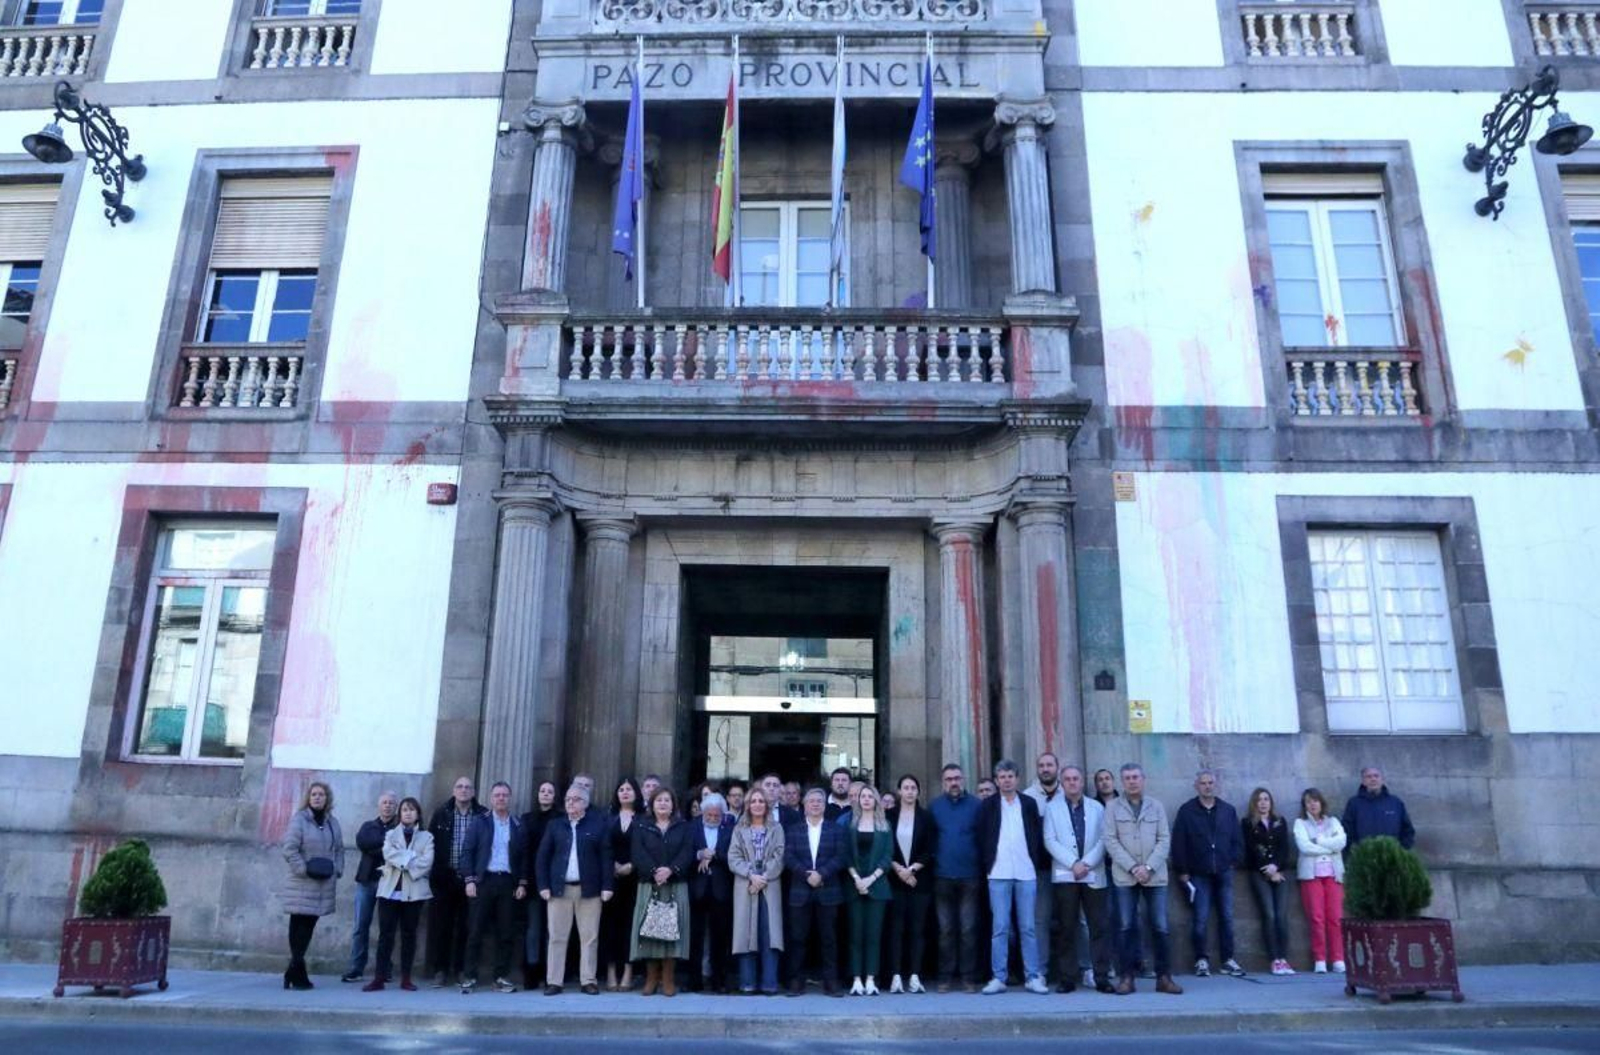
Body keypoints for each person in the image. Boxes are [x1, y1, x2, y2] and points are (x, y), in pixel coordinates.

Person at [1103, 763, 1181, 995]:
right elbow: (1110, 840)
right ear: (1122, 781)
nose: (1132, 781)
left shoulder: (1156, 807)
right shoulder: (1112, 807)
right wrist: (1133, 867)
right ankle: (1127, 977)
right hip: (1125, 876)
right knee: (1125, 925)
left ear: (1143, 779)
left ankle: (1164, 977)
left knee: (1160, 925)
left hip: (1154, 876)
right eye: (1127, 778)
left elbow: (1164, 839)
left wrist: (1147, 867)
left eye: (1136, 777)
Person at [977, 760, 1048, 995]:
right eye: (1002, 776)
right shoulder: (988, 805)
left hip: (1026, 872)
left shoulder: (1028, 803)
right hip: (998, 873)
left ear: (1017, 779)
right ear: (996, 780)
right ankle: (999, 977)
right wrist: (988, 864)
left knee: (1028, 927)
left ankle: (1033, 976)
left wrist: (1034, 860)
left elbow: (1036, 834)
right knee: (1000, 927)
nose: (1006, 780)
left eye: (1010, 776)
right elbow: (982, 836)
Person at [1041, 765, 1114, 994]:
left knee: (1098, 927)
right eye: (1068, 779)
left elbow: (1105, 838)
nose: (1072, 783)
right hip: (1066, 874)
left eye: (1076, 779)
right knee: (1067, 928)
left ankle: (1101, 976)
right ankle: (1067, 978)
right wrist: (1074, 863)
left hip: (1093, 873)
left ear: (1082, 783)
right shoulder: (1052, 808)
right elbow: (1049, 840)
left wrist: (1087, 863)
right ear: (1062, 783)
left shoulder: (1097, 808)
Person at [536, 784, 614, 995]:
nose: (571, 802)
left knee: (589, 937)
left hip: (589, 890)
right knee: (557, 936)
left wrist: (607, 886)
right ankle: (554, 981)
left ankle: (588, 979)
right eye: (568, 799)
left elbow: (606, 858)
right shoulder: (555, 826)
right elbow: (542, 858)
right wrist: (543, 885)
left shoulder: (598, 825)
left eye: (577, 799)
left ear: (586, 803)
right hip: (558, 890)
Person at [1171, 769, 1246, 979]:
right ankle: (1201, 959)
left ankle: (1227, 959)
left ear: (1216, 785)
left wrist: (1233, 861)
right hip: (1198, 873)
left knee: (1227, 918)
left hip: (1224, 872)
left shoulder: (1227, 810)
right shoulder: (1187, 811)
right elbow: (1179, 842)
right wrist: (1183, 870)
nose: (1207, 786)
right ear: (1196, 786)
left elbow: (1237, 840)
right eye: (1203, 783)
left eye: (1210, 782)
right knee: (1200, 918)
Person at [460, 781, 528, 994]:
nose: (501, 798)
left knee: (506, 932)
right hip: (484, 881)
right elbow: (467, 851)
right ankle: (470, 976)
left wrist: (522, 883)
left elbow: (524, 856)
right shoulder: (480, 822)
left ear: (510, 798)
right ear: (491, 798)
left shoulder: (517, 824)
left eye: (505, 795)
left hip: (507, 882)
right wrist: (469, 880)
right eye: (497, 795)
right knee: (475, 931)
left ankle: (501, 976)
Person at [365, 796, 434, 992]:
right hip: (390, 891)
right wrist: (411, 857)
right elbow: (389, 854)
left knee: (409, 935)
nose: (408, 812)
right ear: (400, 814)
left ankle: (406, 978)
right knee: (385, 935)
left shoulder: (427, 837)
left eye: (412, 809)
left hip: (414, 893)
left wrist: (404, 861)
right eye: (404, 809)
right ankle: (379, 977)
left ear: (418, 814)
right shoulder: (390, 835)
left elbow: (427, 862)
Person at [280, 781, 344, 990]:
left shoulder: (332, 823)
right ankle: (297, 972)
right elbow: (290, 849)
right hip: (302, 882)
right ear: (308, 798)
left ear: (327, 799)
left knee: (308, 926)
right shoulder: (299, 820)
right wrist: (302, 869)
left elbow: (340, 849)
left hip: (322, 883)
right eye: (314, 794)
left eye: (322, 795)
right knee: (298, 925)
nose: (317, 797)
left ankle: (293, 970)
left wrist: (337, 869)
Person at [630, 786, 692, 997]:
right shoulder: (641, 826)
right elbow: (637, 852)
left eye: (667, 800)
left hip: (675, 885)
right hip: (650, 885)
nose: (663, 804)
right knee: (650, 933)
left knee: (673, 933)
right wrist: (653, 871)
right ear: (651, 804)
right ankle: (651, 979)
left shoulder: (683, 826)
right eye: (659, 800)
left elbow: (687, 851)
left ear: (673, 804)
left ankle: (668, 979)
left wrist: (671, 870)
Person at [785, 785, 846, 996]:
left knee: (829, 939)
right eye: (811, 801)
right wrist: (807, 875)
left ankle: (831, 982)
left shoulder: (836, 829)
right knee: (798, 938)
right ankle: (796, 981)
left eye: (819, 801)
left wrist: (821, 874)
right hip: (800, 891)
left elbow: (841, 857)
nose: (815, 805)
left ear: (824, 806)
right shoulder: (793, 830)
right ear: (804, 806)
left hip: (828, 890)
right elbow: (788, 857)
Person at [426, 776, 486, 987]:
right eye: (459, 786)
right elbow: (430, 843)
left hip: (471, 880)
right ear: (453, 790)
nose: (463, 790)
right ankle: (440, 970)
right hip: (445, 877)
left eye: (468, 787)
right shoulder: (442, 813)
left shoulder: (482, 814)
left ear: (474, 792)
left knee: (467, 927)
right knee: (442, 926)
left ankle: (462, 969)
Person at [929, 762, 982, 993]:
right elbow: (929, 840)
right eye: (949, 779)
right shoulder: (934, 807)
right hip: (942, 876)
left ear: (963, 780)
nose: (954, 782)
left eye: (957, 778)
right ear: (943, 782)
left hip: (970, 875)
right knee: (945, 930)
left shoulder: (977, 806)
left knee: (968, 929)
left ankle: (969, 977)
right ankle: (945, 977)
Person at [730, 787, 787, 995]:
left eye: (760, 801)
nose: (757, 804)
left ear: (766, 805)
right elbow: (733, 857)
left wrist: (763, 878)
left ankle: (769, 983)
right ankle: (747, 983)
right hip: (746, 886)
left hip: (770, 886)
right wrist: (751, 874)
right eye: (753, 801)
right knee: (747, 934)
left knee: (769, 934)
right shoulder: (739, 829)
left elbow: (780, 855)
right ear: (748, 805)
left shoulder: (776, 828)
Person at [884, 774, 935, 995]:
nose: (910, 791)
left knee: (917, 930)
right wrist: (899, 869)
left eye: (914, 787)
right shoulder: (888, 816)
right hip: (895, 880)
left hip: (918, 881)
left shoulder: (926, 817)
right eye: (905, 787)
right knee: (896, 930)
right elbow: (885, 847)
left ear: (918, 792)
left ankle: (914, 975)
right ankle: (895, 976)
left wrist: (912, 869)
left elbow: (930, 849)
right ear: (899, 791)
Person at [342, 790, 398, 984]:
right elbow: (363, 843)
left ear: (395, 806)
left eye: (391, 803)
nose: (387, 805)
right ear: (378, 805)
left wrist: (382, 847)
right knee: (360, 926)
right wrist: (386, 845)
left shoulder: (400, 828)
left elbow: (398, 848)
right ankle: (357, 967)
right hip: (367, 882)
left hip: (389, 882)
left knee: (387, 928)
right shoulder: (368, 826)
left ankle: (385, 968)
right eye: (384, 802)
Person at [845, 784, 893, 995]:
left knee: (874, 935)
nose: (865, 799)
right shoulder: (850, 825)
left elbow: (887, 857)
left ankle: (871, 979)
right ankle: (856, 979)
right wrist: (857, 879)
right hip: (854, 886)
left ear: (875, 801)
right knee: (856, 936)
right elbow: (846, 855)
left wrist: (870, 880)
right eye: (862, 796)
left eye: (869, 796)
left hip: (877, 887)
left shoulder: (885, 826)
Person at [1294, 788, 1347, 974]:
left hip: (1333, 875)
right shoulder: (1300, 823)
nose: (1313, 804)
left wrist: (1319, 841)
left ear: (1321, 802)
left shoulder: (1333, 822)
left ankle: (1338, 958)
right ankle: (1320, 959)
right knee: (1316, 918)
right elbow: (1304, 847)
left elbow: (1341, 842)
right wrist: (1329, 847)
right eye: (1308, 801)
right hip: (1311, 875)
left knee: (1335, 918)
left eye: (1315, 800)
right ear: (1305, 805)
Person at [1244, 786, 1295, 976]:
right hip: (1259, 873)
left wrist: (1276, 867)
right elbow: (1251, 850)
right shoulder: (1248, 823)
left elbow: (1284, 848)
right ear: (1254, 803)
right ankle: (1274, 959)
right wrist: (1267, 869)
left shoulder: (1280, 822)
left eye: (1266, 799)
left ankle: (1284, 958)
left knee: (1281, 916)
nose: (1263, 803)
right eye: (1259, 800)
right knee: (1270, 915)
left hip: (1280, 873)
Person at [688, 792, 735, 992]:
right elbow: (683, 853)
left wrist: (714, 854)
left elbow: (734, 856)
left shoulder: (730, 829)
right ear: (703, 812)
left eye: (717, 816)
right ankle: (694, 980)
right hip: (697, 889)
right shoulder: (691, 827)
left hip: (721, 889)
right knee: (695, 937)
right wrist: (699, 854)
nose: (713, 819)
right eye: (710, 815)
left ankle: (719, 980)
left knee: (720, 937)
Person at [1023, 753, 1064, 984]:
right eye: (1041, 765)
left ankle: (1080, 969)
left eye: (1050, 764)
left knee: (1075, 920)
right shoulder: (1028, 797)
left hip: (1068, 867)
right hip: (1039, 869)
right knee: (1040, 920)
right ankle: (1040, 971)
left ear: (1057, 767)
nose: (1046, 769)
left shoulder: (1068, 793)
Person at [601, 778, 642, 992]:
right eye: (621, 789)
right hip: (611, 880)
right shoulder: (608, 819)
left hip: (635, 880)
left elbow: (645, 848)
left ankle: (628, 971)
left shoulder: (644, 819)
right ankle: (610, 971)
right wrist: (613, 866)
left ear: (636, 793)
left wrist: (632, 865)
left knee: (630, 926)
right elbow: (603, 848)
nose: (625, 792)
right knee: (610, 926)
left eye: (629, 789)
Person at [520, 780, 559, 989]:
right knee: (533, 929)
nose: (545, 794)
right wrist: (523, 880)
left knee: (553, 930)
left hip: (555, 881)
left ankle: (549, 971)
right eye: (542, 790)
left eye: (550, 791)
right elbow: (524, 851)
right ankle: (531, 971)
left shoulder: (560, 819)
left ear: (555, 796)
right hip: (534, 882)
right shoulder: (527, 819)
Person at [1341, 766, 1415, 850]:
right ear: (1363, 781)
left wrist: (1401, 851)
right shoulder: (1354, 803)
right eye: (1368, 777)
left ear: (1382, 780)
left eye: (1376, 776)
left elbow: (1407, 830)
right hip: (1364, 855)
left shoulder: (1395, 803)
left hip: (1392, 855)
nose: (1373, 779)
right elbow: (1347, 830)